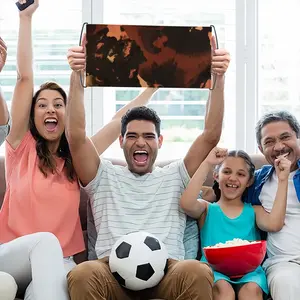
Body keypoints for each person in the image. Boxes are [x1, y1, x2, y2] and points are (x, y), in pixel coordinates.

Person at [65, 35, 230, 300]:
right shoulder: (102, 174)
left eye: (148, 136)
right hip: (111, 272)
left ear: (160, 141)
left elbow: (210, 135)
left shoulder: (177, 174)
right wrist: (77, 76)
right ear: (120, 141)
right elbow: (75, 136)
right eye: (131, 136)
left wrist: (218, 79)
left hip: (168, 271)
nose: (140, 142)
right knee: (81, 274)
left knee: (197, 271)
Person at [180, 147, 290, 300]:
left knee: (251, 291)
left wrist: (283, 180)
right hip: (214, 269)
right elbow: (186, 203)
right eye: (226, 172)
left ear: (249, 181)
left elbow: (275, 224)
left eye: (240, 174)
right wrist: (207, 163)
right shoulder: (207, 209)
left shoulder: (254, 211)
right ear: (216, 176)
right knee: (224, 291)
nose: (232, 178)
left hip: (250, 271)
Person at [243, 111, 300, 300]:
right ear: (260, 148)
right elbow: (220, 195)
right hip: (284, 263)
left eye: (285, 137)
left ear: (298, 138)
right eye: (269, 142)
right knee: (285, 282)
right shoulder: (255, 181)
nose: (279, 147)